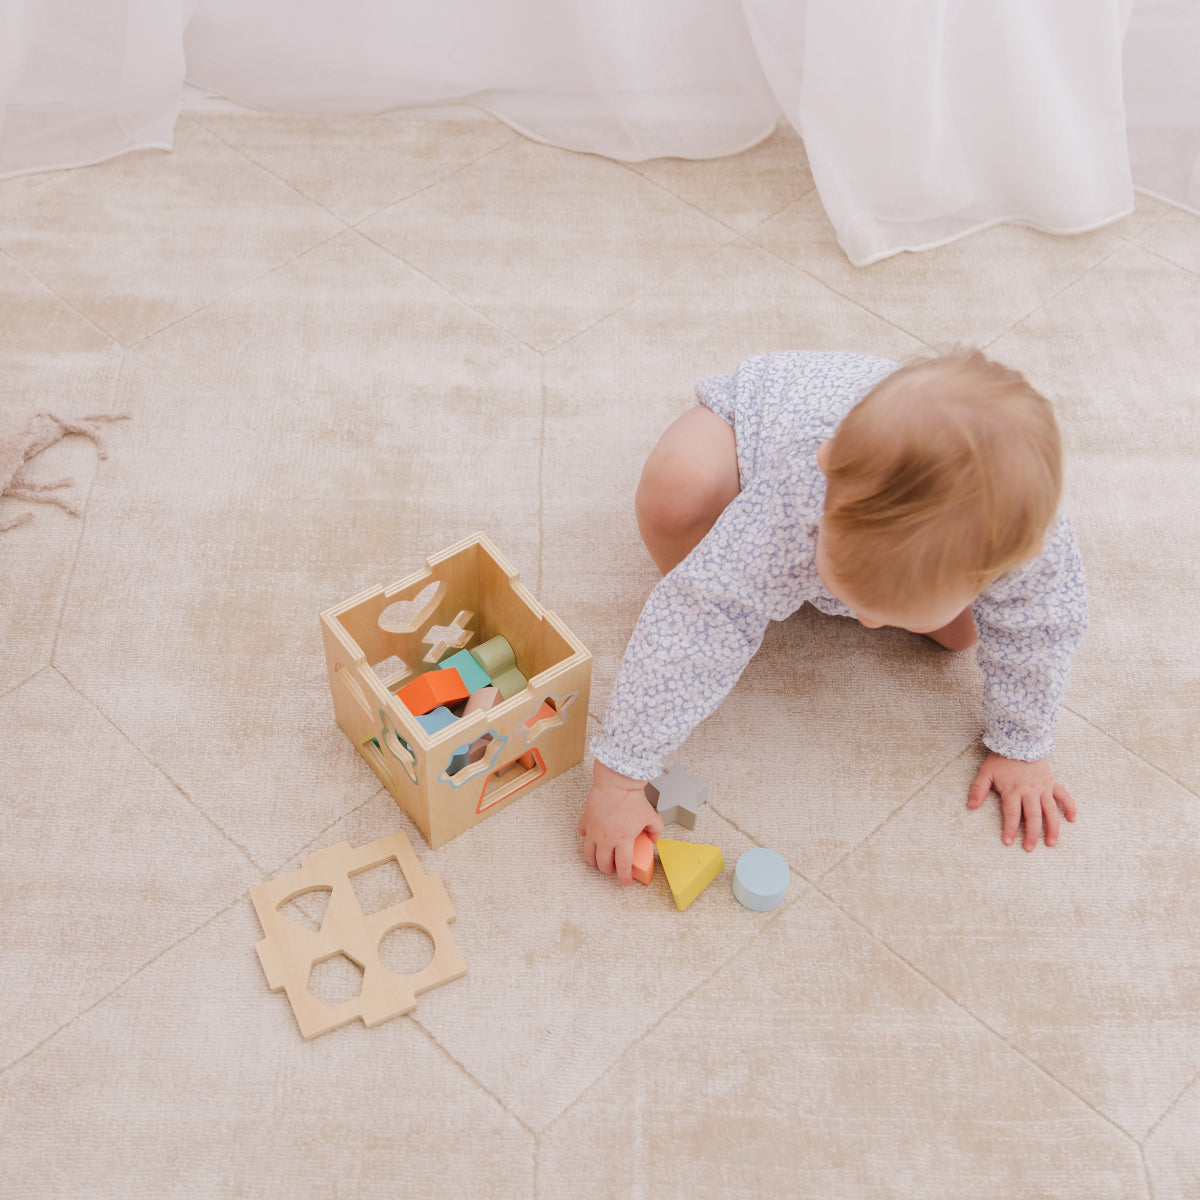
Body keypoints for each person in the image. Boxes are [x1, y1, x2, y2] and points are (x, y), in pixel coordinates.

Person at [578, 349, 1088, 883]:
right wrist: (620, 777)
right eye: (855, 596)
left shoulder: (1033, 552)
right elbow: (698, 617)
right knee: (676, 490)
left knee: (966, 635)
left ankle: (813, 577)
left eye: (878, 610)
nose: (865, 624)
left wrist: (1023, 745)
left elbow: (1039, 641)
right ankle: (740, 557)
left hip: (896, 510)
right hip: (755, 430)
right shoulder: (802, 487)